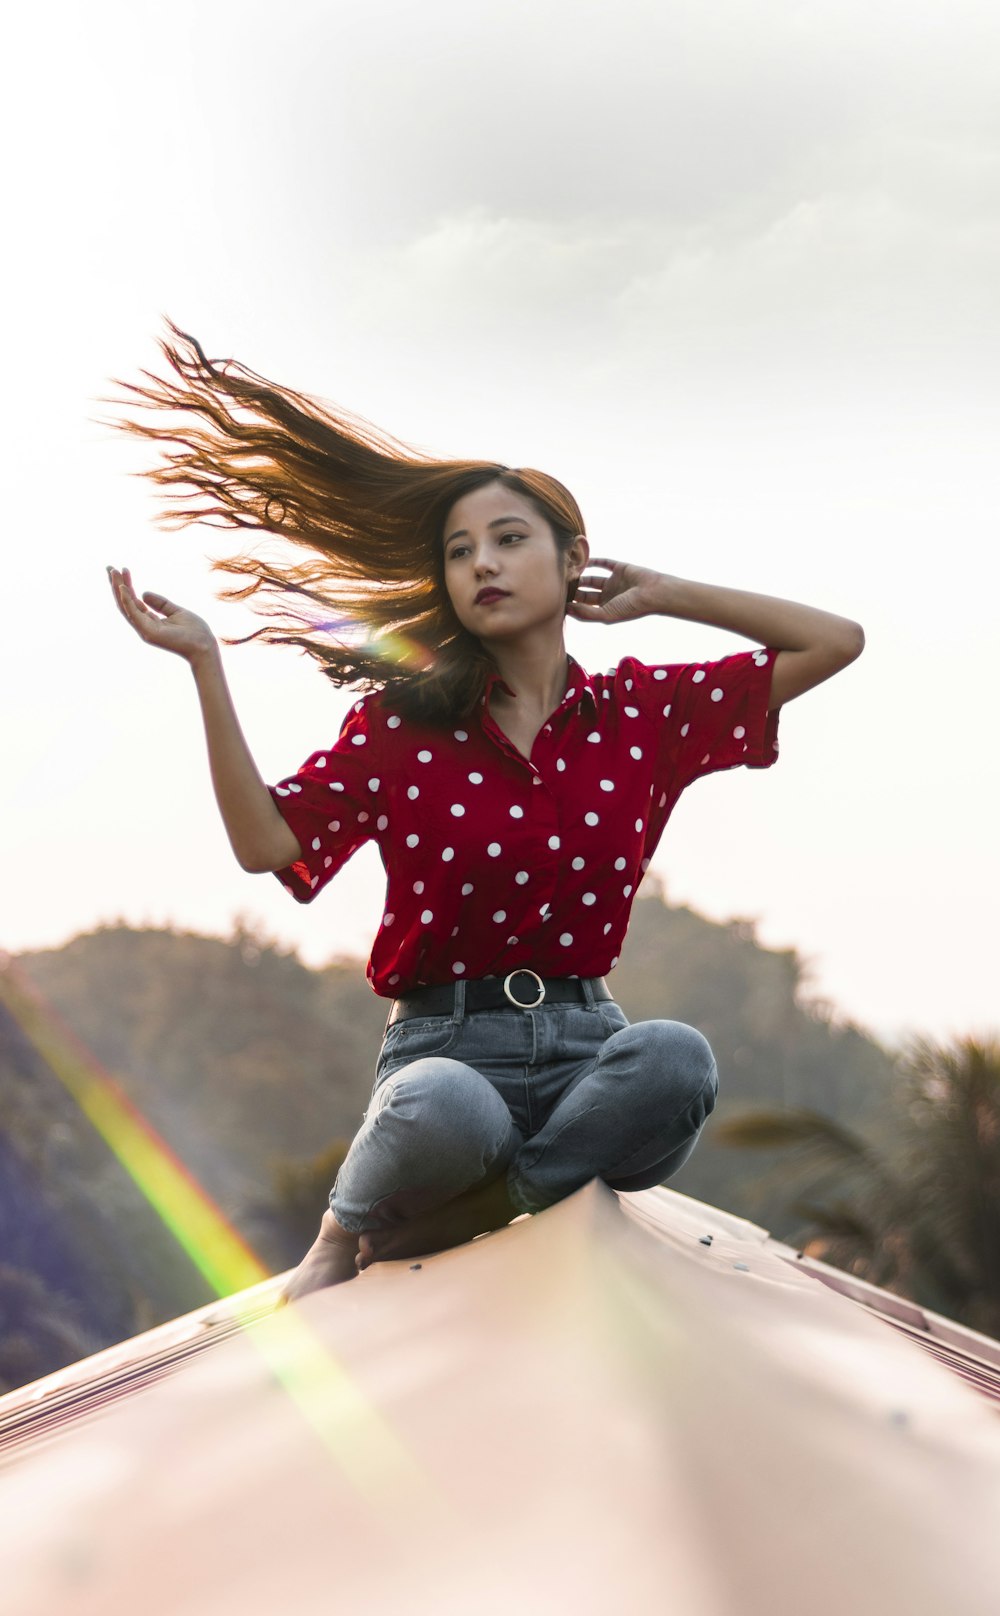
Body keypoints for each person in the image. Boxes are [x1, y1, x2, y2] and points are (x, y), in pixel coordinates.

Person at [106, 323, 865, 1303]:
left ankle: (492, 1201)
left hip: (589, 1048)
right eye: (461, 551)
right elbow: (267, 845)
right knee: (438, 1106)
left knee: (675, 1057)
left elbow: (833, 640)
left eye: (509, 540)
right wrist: (206, 664)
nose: (483, 565)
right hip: (443, 1050)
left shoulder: (642, 711)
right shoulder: (399, 724)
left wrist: (663, 592)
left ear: (570, 557)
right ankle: (360, 1224)